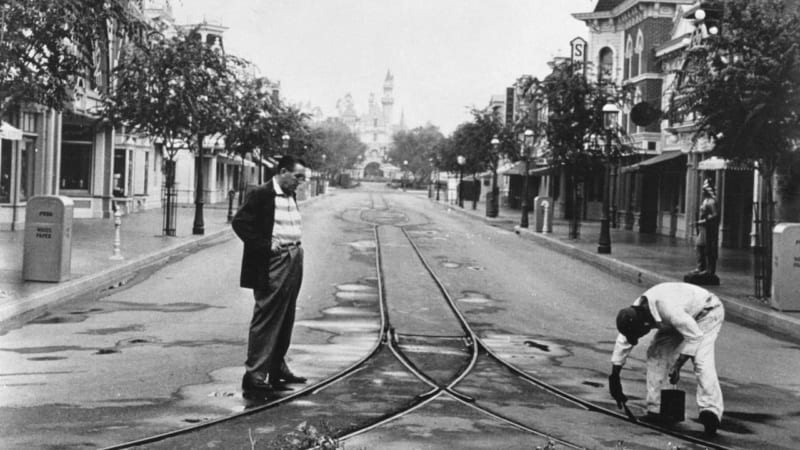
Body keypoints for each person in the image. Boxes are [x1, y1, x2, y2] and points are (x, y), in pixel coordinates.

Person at [232, 155, 308, 399]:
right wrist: (265, 245)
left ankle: (277, 367)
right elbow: (240, 223)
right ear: (283, 172)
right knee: (267, 317)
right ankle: (254, 375)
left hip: (294, 256)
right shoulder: (261, 193)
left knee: (287, 315)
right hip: (274, 261)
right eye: (297, 177)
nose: (300, 182)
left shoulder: (289, 192)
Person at [608, 282, 725, 435]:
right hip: (679, 316)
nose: (639, 337)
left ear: (646, 324)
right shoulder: (636, 311)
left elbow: (695, 337)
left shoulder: (670, 310)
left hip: (706, 312)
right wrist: (614, 376)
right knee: (657, 353)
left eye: (640, 334)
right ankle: (658, 409)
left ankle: (711, 411)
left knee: (701, 361)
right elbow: (623, 341)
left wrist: (677, 366)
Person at [693, 179, 719, 276]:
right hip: (702, 228)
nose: (703, 191)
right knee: (699, 246)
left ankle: (709, 269)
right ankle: (701, 267)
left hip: (708, 229)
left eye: (704, 189)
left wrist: (704, 220)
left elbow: (715, 215)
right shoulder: (705, 200)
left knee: (707, 248)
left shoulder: (712, 201)